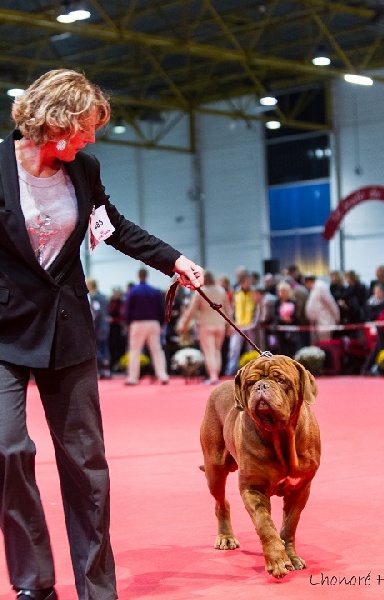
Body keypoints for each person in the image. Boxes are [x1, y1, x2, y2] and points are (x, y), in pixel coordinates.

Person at [0, 69, 204, 600]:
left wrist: (174, 260)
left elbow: (115, 226)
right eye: (86, 128)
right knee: (6, 450)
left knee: (86, 465)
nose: (92, 139)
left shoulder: (83, 169)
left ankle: (96, 589)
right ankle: (34, 582)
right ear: (55, 121)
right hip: (3, 332)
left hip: (67, 330)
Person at [178, 270, 231, 384]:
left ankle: (213, 376)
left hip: (206, 325)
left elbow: (191, 311)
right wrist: (230, 326)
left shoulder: (200, 292)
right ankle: (216, 374)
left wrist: (184, 325)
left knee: (209, 351)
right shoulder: (221, 291)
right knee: (217, 351)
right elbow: (228, 310)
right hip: (220, 325)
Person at [124, 268, 169, 385]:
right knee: (156, 350)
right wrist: (161, 323)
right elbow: (161, 309)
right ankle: (163, 375)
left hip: (137, 323)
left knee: (135, 351)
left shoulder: (133, 291)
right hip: (153, 322)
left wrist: (127, 323)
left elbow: (128, 309)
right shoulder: (155, 291)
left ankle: (133, 378)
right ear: (147, 276)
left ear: (138, 276)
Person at [225, 271, 259, 375]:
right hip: (238, 325)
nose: (247, 283)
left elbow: (257, 308)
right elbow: (231, 309)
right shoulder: (235, 293)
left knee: (251, 349)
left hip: (250, 325)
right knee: (234, 349)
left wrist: (255, 322)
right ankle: (231, 370)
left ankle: (253, 370)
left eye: (249, 281)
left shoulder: (254, 293)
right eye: (246, 281)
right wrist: (232, 322)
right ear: (241, 282)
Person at [86, 278, 112, 379]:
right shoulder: (104, 296)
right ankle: (107, 370)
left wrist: (92, 324)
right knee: (105, 347)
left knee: (98, 348)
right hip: (105, 325)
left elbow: (97, 312)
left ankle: (100, 370)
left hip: (98, 326)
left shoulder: (94, 296)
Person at [304, 275, 340, 343]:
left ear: (309, 282)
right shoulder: (314, 288)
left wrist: (337, 316)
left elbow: (330, 302)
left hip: (324, 321)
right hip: (315, 322)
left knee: (324, 343)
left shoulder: (321, 287)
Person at [107, 286, 127, 372]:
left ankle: (120, 365)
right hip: (111, 329)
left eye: (117, 293)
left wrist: (114, 320)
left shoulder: (122, 303)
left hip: (119, 328)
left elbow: (123, 316)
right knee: (112, 346)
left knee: (120, 347)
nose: (115, 295)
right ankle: (112, 365)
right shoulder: (110, 302)